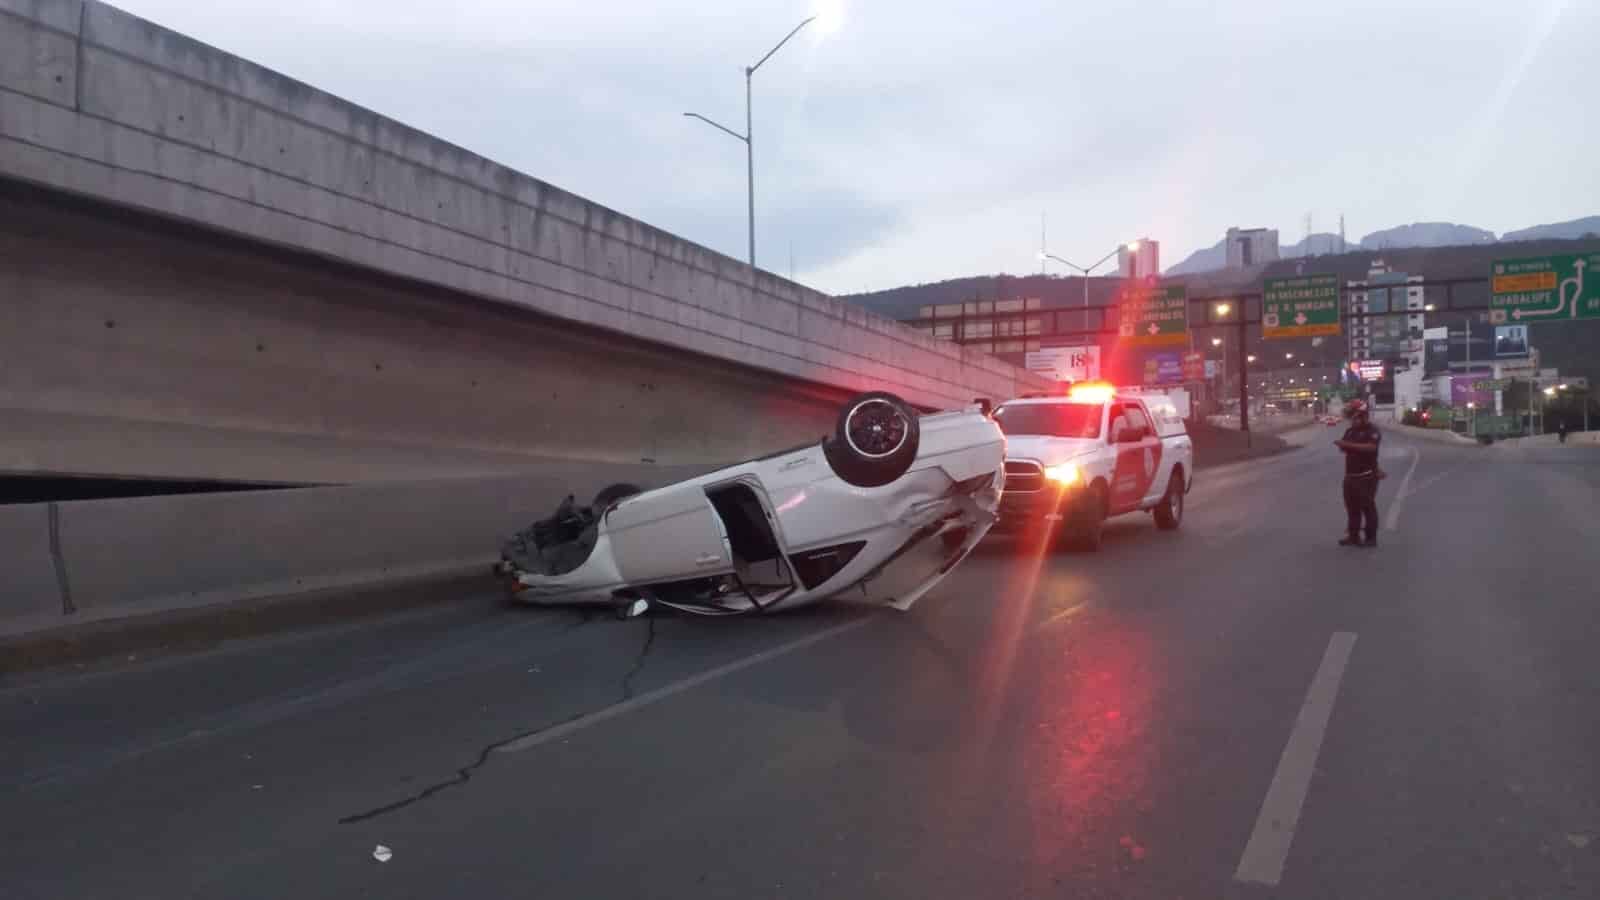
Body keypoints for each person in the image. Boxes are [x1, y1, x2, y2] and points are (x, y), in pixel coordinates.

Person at [1334, 399, 1381, 547]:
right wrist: (1344, 445)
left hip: (1366, 476)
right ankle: (1353, 536)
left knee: (1368, 508)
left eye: (1354, 417)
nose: (1352, 420)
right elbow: (1343, 447)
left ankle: (1371, 538)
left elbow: (1371, 448)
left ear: (1362, 415)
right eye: (1351, 417)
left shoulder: (1372, 430)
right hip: (1350, 476)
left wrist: (1348, 445)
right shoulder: (1350, 431)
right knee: (1352, 508)